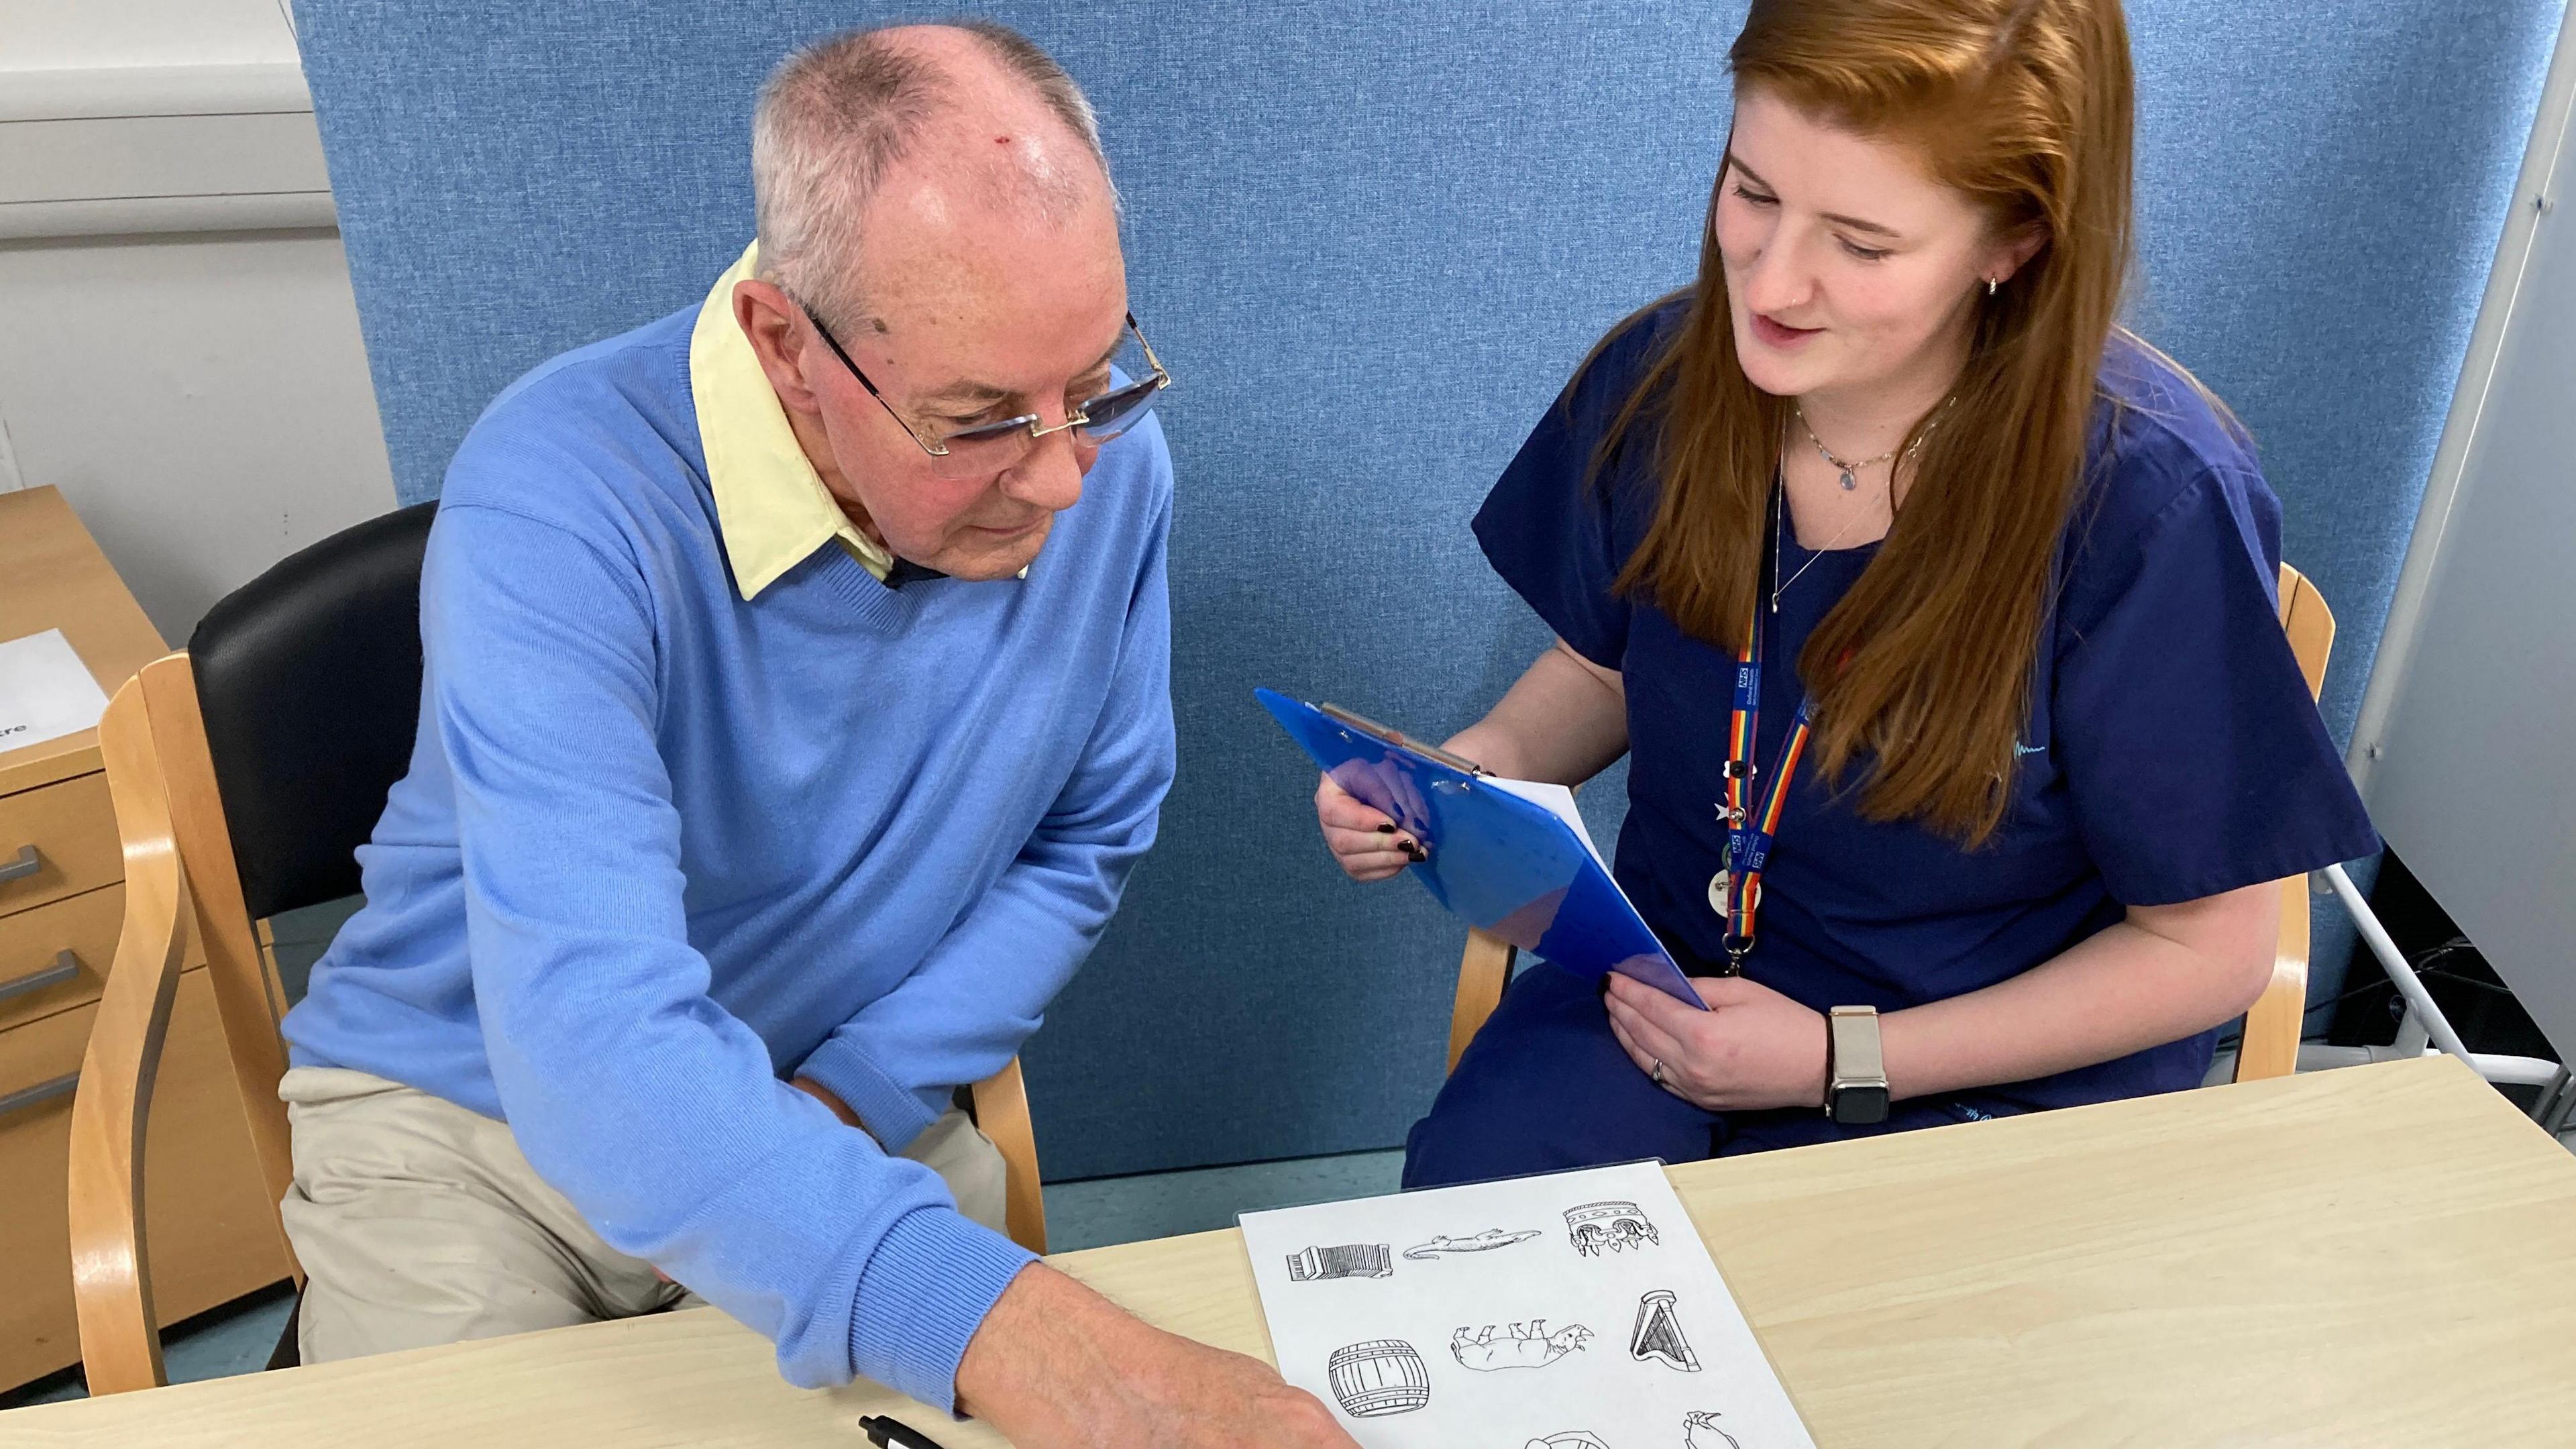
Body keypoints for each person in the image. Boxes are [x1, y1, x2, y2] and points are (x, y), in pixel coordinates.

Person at [280, 22, 1352, 1446]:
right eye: (977, 420)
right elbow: (590, 1037)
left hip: (825, 1102)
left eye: (1094, 378)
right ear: (786, 347)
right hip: (468, 1131)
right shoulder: (559, 489)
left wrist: (854, 1090)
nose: (1061, 481)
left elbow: (1085, 839)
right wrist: (1062, 1356)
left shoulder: (1107, 461)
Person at [1316, 0, 2378, 1187]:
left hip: (1993, 1082)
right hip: (1659, 1005)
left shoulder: (2149, 504)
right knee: (1490, 1295)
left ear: (2014, 241)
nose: (1771, 283)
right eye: (1752, 193)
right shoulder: (1660, 387)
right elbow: (1610, 665)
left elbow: (2211, 949)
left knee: (1853, 1360)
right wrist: (1464, 782)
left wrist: (1837, 1058)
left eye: (1861, 245)